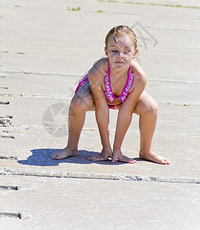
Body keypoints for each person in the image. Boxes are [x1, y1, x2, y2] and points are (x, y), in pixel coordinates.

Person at [51, 25, 170, 164]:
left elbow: (126, 113)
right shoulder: (97, 72)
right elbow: (102, 110)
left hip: (123, 97)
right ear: (106, 52)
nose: (120, 56)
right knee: (78, 102)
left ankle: (146, 150)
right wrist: (106, 148)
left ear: (135, 53)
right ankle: (71, 147)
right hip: (97, 95)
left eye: (126, 51)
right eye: (114, 50)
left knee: (151, 107)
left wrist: (117, 149)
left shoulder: (138, 77)